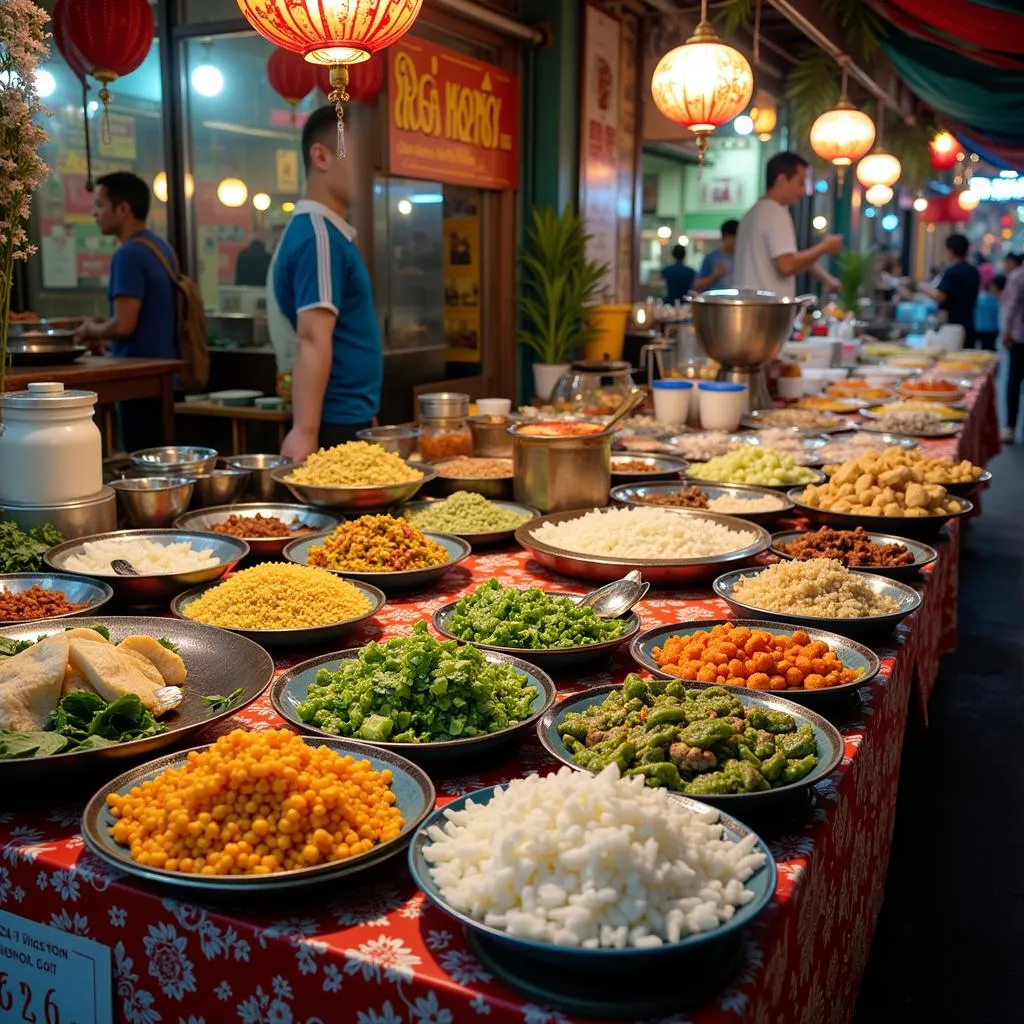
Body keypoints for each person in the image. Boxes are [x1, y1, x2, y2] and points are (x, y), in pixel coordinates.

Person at [269, 105, 383, 460]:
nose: (370, 169)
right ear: (321, 156)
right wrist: (306, 432)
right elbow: (312, 338)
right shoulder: (318, 235)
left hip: (349, 419)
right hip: (332, 426)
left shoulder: (331, 234)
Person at [73, 171, 177, 453]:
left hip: (137, 378)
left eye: (99, 205)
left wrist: (91, 331)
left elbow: (124, 324)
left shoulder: (129, 254)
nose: (94, 213)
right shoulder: (160, 247)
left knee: (140, 459)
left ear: (123, 209)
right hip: (164, 375)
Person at [733, 151, 842, 299]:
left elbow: (788, 257)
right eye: (800, 182)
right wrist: (824, 247)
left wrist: (825, 278)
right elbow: (786, 265)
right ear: (782, 180)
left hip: (749, 311)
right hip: (768, 314)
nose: (803, 190)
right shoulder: (776, 213)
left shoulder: (751, 214)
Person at [916, 233, 981, 349]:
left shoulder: (952, 271)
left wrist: (921, 287)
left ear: (950, 251)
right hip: (969, 323)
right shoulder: (973, 271)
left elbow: (940, 295)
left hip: (952, 326)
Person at [1001, 258, 1024, 443]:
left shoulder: (1018, 276)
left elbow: (1011, 307)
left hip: (1019, 337)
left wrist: (1007, 332)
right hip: (1019, 335)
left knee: (1014, 382)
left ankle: (1010, 426)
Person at [694, 220, 738, 291]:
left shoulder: (743, 258)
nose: (736, 241)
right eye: (733, 237)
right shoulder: (711, 258)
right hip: (715, 300)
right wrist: (715, 276)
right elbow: (697, 285)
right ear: (724, 237)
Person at [974, 274, 1004, 352]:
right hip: (993, 330)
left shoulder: (980, 298)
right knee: (990, 350)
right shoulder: (998, 300)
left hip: (980, 328)